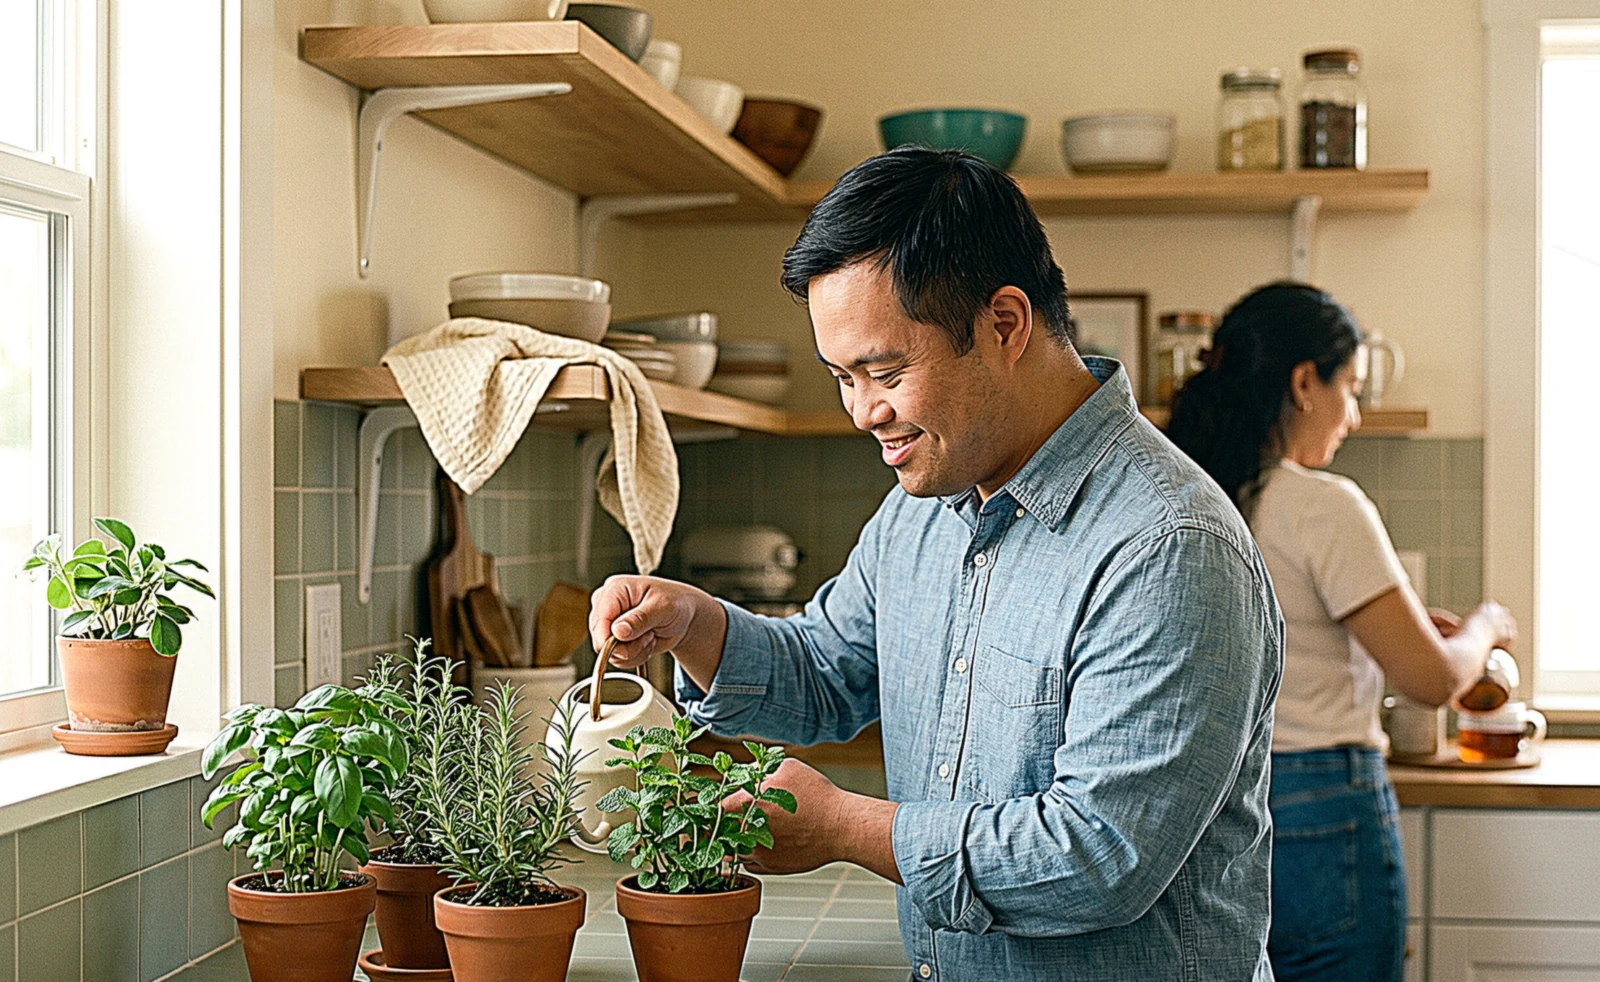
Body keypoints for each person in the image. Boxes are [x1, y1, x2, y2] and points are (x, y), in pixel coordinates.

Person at [588, 148, 1283, 981]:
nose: (861, 411)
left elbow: (1097, 858)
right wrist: (695, 625)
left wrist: (846, 828)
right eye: (842, 377)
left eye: (885, 372)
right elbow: (828, 669)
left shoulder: (1169, 547)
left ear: (1003, 325)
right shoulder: (926, 506)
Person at [1165, 282, 1516, 982]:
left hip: (1207, 810)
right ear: (1303, 383)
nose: (1353, 415)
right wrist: (1485, 627)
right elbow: (1434, 679)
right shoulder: (1323, 505)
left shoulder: (1185, 495)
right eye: (1349, 389)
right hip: (1321, 809)